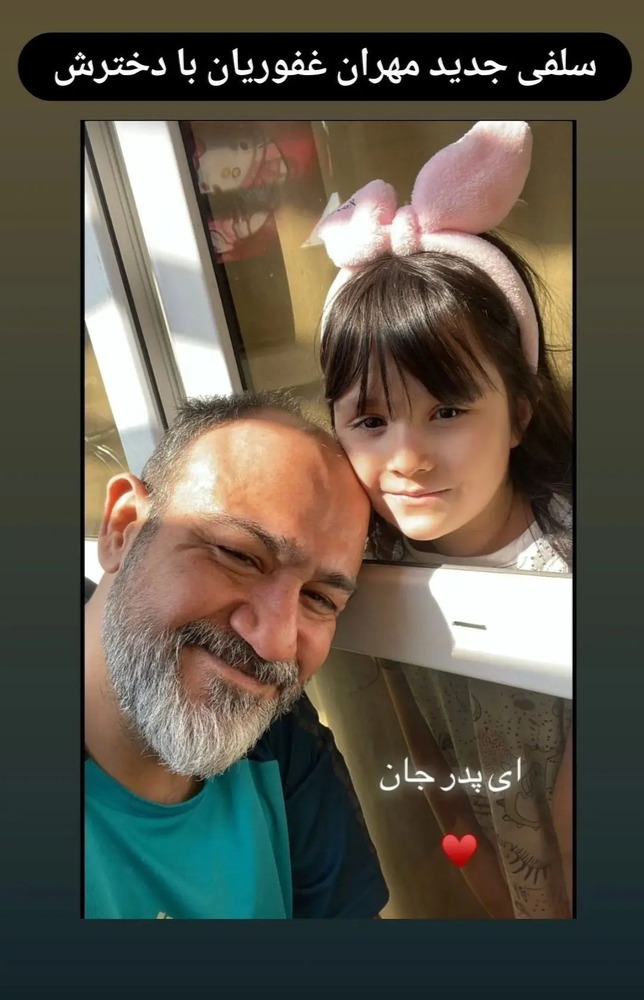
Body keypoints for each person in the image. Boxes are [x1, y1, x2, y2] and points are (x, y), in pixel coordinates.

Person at [316, 121, 572, 919]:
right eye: (370, 421)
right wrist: (488, 886)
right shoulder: (372, 564)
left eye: (448, 409)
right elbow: (428, 762)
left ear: (520, 412)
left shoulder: (570, 567)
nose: (408, 458)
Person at [84, 390, 389, 919]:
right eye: (239, 555)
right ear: (122, 527)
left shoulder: (283, 744)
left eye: (319, 599)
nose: (275, 643)